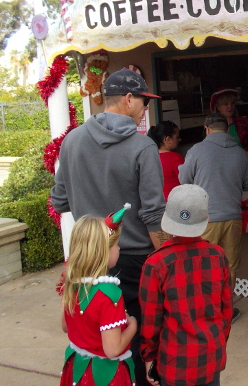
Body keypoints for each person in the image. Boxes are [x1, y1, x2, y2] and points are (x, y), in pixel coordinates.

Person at [51, 67, 167, 386]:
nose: (146, 108)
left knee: (88, 335)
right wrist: (167, 258)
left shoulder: (71, 142)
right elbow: (153, 215)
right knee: (131, 341)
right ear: (129, 100)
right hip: (133, 261)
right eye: (144, 102)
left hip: (86, 257)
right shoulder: (143, 148)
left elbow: (59, 201)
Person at [140, 184, 233, 386]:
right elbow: (226, 310)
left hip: (174, 362)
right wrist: (218, 342)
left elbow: (150, 322)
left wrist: (149, 356)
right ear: (206, 220)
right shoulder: (218, 256)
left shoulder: (156, 264)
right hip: (211, 356)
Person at [178, 112, 248, 323]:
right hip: (233, 217)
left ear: (207, 128)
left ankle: (203, 312)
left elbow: (184, 180)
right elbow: (247, 190)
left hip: (206, 218)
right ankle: (224, 312)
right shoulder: (240, 153)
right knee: (229, 267)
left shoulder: (197, 150)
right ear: (227, 129)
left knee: (203, 266)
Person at [60, 209, 137, 386]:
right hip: (104, 375)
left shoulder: (71, 283)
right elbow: (112, 349)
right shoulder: (109, 294)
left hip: (78, 369)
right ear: (104, 252)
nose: (118, 249)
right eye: (116, 245)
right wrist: (132, 325)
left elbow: (65, 326)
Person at [210, 88, 248, 158]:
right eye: (225, 104)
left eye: (232, 103)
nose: (230, 106)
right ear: (218, 107)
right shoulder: (213, 126)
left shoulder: (244, 122)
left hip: (243, 162)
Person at [147, 120, 185, 200]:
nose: (180, 139)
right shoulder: (175, 158)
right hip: (174, 202)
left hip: (155, 202)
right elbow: (186, 180)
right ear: (167, 139)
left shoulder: (148, 157)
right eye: (177, 137)